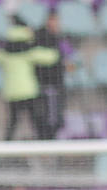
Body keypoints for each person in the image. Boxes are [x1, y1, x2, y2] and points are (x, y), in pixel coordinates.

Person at [0, 18, 57, 141]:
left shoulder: (4, 55)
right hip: (28, 91)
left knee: (13, 121)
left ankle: (7, 145)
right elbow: (51, 57)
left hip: (12, 93)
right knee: (36, 119)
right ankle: (44, 142)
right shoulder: (29, 53)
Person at [33, 9, 74, 140]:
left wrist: (68, 63)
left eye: (57, 21)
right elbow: (39, 58)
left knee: (58, 118)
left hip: (58, 83)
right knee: (49, 118)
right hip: (46, 83)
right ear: (48, 20)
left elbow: (69, 56)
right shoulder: (40, 36)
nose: (56, 24)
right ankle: (46, 143)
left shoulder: (59, 38)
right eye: (54, 20)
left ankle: (52, 141)